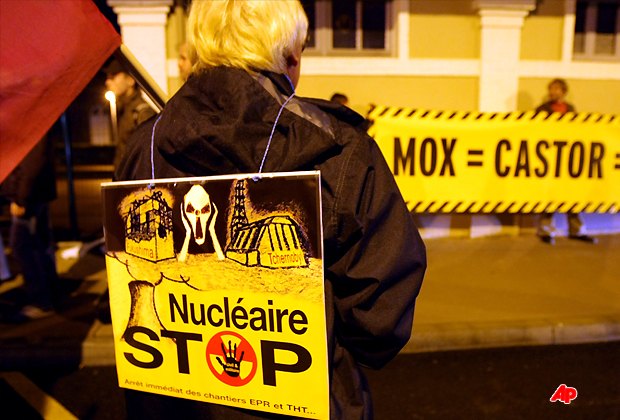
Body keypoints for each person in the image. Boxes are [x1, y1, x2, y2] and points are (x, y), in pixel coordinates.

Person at [116, 1, 426, 419]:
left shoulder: (142, 145)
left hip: (170, 403)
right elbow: (380, 312)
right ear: (290, 57)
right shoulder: (339, 149)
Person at [1, 135, 58, 320]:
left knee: (21, 247)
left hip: (30, 195)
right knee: (38, 245)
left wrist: (21, 197)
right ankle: (49, 295)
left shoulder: (34, 124)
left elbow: (32, 160)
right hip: (34, 192)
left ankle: (40, 301)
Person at [535, 78, 597, 245]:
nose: (552, 92)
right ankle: (546, 231)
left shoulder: (570, 109)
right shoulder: (541, 109)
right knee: (549, 196)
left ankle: (577, 230)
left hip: (567, 159)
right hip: (549, 158)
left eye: (556, 89)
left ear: (563, 92)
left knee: (573, 196)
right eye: (551, 89)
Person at [103, 60, 156, 170]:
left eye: (113, 77)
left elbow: (148, 155)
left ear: (130, 80)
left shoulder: (141, 112)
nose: (107, 82)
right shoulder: (125, 108)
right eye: (108, 77)